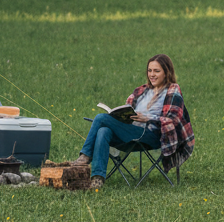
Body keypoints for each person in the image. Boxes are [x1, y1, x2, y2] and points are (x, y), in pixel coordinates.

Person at [74, 54, 194, 190]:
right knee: (103, 130)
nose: (152, 75)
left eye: (157, 71)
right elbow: (128, 108)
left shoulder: (172, 90)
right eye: (150, 70)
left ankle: (85, 157)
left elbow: (174, 119)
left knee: (101, 118)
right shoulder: (141, 90)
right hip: (131, 132)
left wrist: (149, 118)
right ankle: (97, 179)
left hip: (153, 135)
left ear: (167, 72)